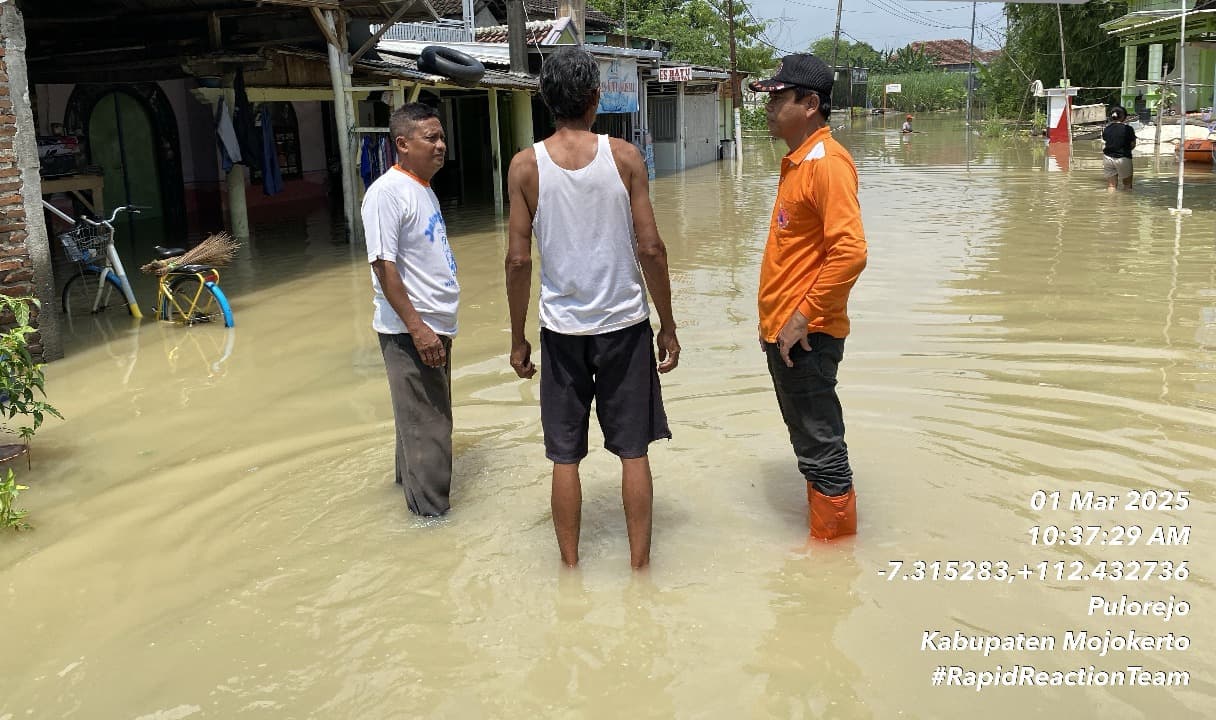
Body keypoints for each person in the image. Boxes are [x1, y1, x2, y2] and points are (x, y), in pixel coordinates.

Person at [505, 46, 681, 570]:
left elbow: (518, 260)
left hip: (561, 332)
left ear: (545, 100)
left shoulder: (524, 166)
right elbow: (651, 248)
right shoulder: (624, 158)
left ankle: (569, 570)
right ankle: (640, 567)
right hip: (624, 326)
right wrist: (667, 326)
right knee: (634, 452)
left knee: (563, 457)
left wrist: (517, 337)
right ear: (595, 98)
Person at [749, 54, 867, 541]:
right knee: (810, 444)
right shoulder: (800, 162)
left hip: (806, 336)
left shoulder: (827, 163)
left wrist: (801, 316)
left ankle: (833, 561)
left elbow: (851, 252)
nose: (770, 106)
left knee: (821, 448)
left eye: (780, 97)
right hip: (789, 332)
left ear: (811, 103)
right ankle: (826, 542)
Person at [361, 102, 459, 517]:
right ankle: (432, 526)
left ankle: (411, 501)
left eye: (441, 136)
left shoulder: (421, 187)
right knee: (430, 430)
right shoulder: (386, 193)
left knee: (418, 428)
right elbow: (383, 267)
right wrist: (418, 329)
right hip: (411, 332)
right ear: (402, 144)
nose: (441, 145)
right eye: (430, 138)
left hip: (431, 327)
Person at [1102, 105, 1136, 191]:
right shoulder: (1128, 129)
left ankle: (1110, 203)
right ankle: (1126, 204)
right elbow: (1132, 144)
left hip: (1107, 158)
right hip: (1123, 158)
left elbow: (1106, 141)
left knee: (1111, 186)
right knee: (1127, 186)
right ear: (1124, 116)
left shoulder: (1106, 129)